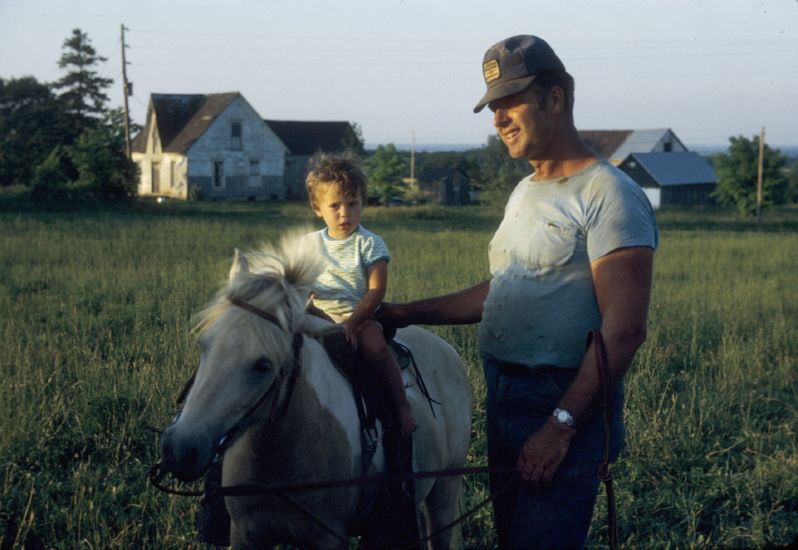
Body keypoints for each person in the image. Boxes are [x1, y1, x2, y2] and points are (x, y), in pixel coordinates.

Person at [376, 35, 658, 549]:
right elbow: (505, 292)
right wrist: (402, 312)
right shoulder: (526, 191)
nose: (497, 120)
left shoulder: (609, 195)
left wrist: (561, 426)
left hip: (561, 398)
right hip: (504, 392)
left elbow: (625, 331)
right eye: (493, 108)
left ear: (555, 99)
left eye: (510, 105)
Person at [303, 152, 417, 436]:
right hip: (317, 313)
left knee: (376, 350)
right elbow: (298, 280)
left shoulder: (369, 243)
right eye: (335, 206)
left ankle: (401, 406)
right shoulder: (308, 244)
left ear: (362, 203)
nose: (345, 213)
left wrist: (353, 323)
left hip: (358, 314)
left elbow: (376, 290)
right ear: (318, 208)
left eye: (352, 204)